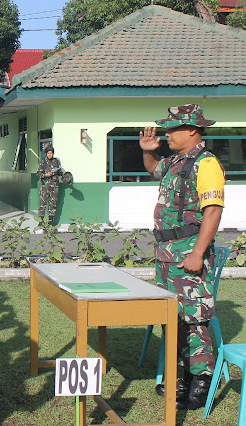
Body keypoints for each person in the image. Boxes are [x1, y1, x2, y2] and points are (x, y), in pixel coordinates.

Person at [140, 104, 225, 410]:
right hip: (167, 256)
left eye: (172, 129)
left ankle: (203, 384)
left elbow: (213, 211)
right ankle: (186, 377)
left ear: (192, 130)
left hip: (188, 255)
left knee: (194, 320)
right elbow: (154, 170)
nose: (166, 134)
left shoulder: (207, 163)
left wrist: (198, 254)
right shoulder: (177, 160)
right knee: (174, 318)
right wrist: (149, 151)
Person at [36, 146, 62, 225]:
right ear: (46, 154)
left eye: (51, 153)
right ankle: (41, 220)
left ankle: (51, 220)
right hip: (45, 186)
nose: (49, 154)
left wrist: (63, 174)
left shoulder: (56, 162)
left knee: (53, 203)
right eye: (48, 153)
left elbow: (59, 172)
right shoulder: (43, 162)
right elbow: (38, 173)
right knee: (42, 203)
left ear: (53, 153)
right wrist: (45, 175)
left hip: (54, 186)